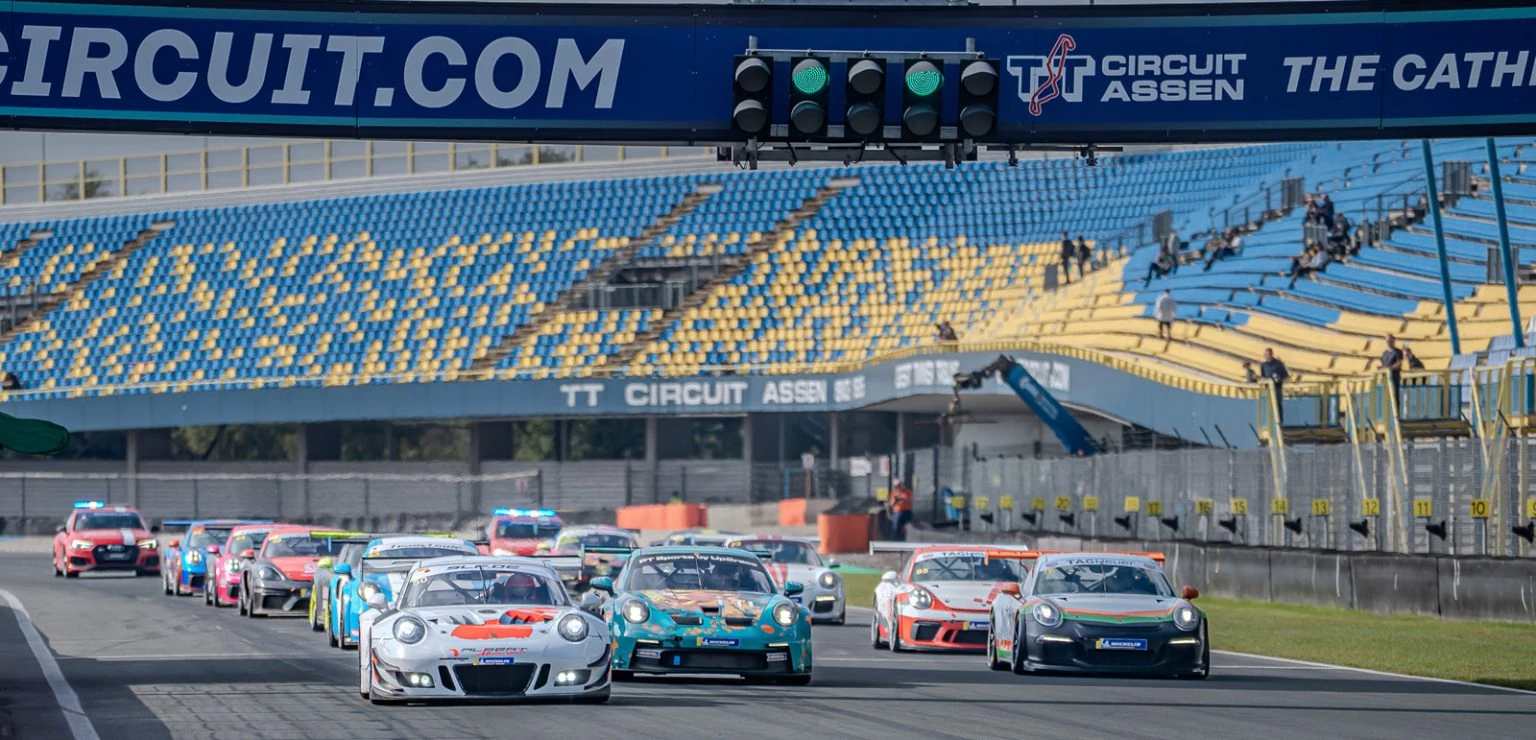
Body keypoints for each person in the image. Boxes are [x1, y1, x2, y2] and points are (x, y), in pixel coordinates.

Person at [1260, 348, 1290, 423]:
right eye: (1266, 354)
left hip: (1277, 387)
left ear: (1272, 354)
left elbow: (1286, 376)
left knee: (1278, 403)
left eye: (1269, 354)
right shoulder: (1263, 365)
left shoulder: (1278, 364)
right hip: (1268, 388)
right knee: (1269, 405)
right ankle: (1271, 421)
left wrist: (1279, 379)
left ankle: (1279, 421)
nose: (1267, 356)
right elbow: (1263, 376)